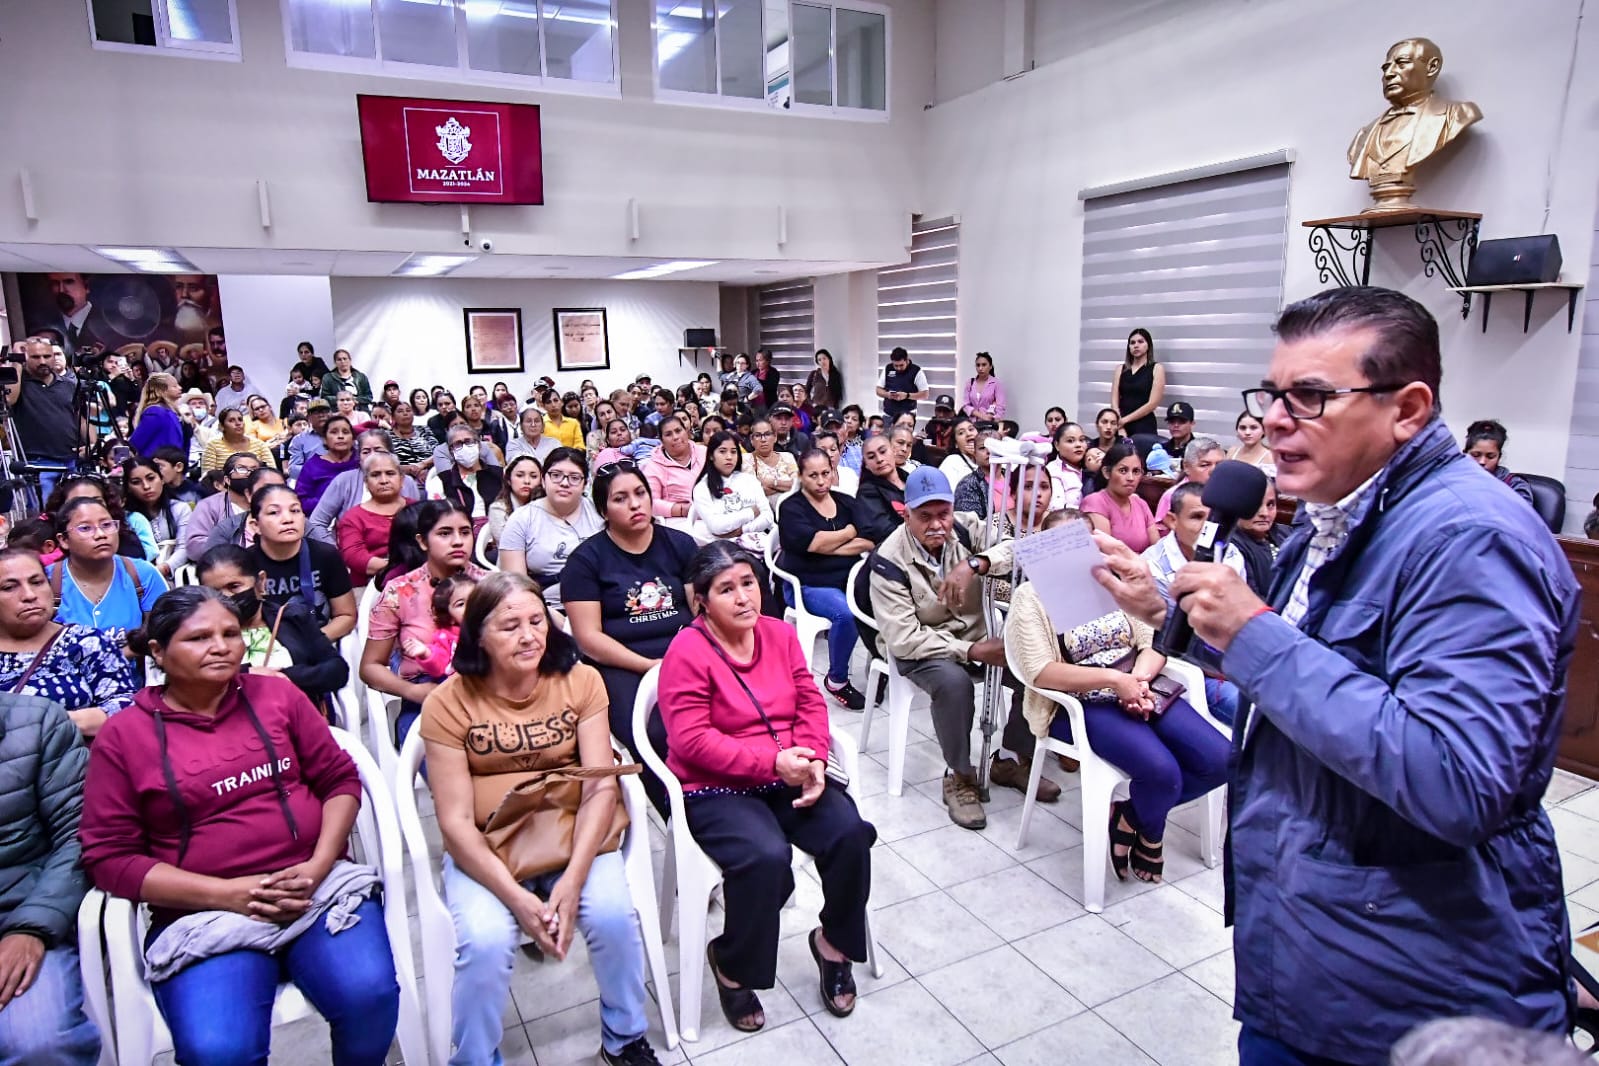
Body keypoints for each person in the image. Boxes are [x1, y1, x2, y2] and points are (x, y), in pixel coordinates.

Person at [1090, 286, 1578, 1065]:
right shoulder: (1334, 516)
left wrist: (1251, 633)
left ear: (1406, 409)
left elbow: (1457, 779)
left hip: (1410, 983)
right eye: (1271, 395)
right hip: (1317, 943)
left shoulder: (1470, 540)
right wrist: (1169, 612)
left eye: (1310, 397)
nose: (1275, 421)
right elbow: (1312, 672)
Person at [79, 587, 400, 1066]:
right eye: (199, 637)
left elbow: (339, 780)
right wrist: (229, 894)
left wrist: (318, 864)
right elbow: (110, 858)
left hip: (313, 888)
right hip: (204, 912)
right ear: (158, 652)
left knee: (369, 995)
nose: (221, 647)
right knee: (219, 1050)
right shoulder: (124, 736)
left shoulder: (276, 694)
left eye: (231, 633)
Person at [418, 572, 665, 1066]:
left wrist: (572, 882)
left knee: (613, 916)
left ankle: (624, 1037)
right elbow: (455, 822)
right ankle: (475, 1059)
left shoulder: (580, 681)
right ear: (478, 635)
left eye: (537, 621)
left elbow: (599, 786)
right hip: (488, 846)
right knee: (485, 942)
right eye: (510, 626)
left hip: (572, 832)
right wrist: (517, 901)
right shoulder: (448, 702)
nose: (530, 636)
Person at [658, 543, 875, 1029]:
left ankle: (833, 945)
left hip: (787, 771)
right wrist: (772, 762)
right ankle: (732, 966)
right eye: (726, 589)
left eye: (748, 583)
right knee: (765, 856)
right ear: (701, 601)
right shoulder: (687, 651)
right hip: (716, 784)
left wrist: (813, 758)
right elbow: (692, 741)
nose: (743, 597)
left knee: (850, 834)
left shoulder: (778, 633)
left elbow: (809, 701)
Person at [1009, 508, 1229, 882]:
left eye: (1080, 541)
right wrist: (1114, 682)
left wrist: (1137, 682)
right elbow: (1041, 672)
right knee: (1162, 773)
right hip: (1079, 702)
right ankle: (1152, 835)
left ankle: (1130, 815)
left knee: (1221, 759)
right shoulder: (1031, 596)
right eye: (1059, 543)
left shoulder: (1114, 582)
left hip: (1139, 682)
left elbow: (1153, 643)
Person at [868, 467, 1053, 828]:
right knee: (955, 685)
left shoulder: (965, 529)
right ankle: (960, 775)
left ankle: (1010, 757)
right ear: (906, 515)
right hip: (923, 648)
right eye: (925, 516)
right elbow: (904, 637)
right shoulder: (888, 561)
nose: (937, 525)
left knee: (1035, 666)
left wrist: (976, 562)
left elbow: (1019, 548)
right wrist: (971, 652)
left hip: (974, 635)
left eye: (943, 514)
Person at [562, 463, 696, 810]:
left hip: (684, 653)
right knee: (656, 733)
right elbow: (589, 638)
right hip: (620, 663)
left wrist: (691, 656)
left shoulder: (680, 544)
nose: (635, 504)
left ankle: (725, 796)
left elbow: (702, 612)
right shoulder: (585, 561)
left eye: (640, 493)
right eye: (620, 499)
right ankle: (676, 811)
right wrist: (649, 665)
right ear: (603, 510)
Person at [0, 689, 100, 1066]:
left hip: (24, 916)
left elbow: (79, 836)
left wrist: (31, 930)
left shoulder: (37, 722)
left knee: (40, 1044)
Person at [361, 501, 486, 746]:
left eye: (464, 532)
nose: (458, 541)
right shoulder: (400, 591)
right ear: (422, 541)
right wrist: (412, 692)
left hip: (487, 691)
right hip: (425, 696)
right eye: (445, 533)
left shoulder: (491, 585)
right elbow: (370, 667)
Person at [0, 547, 139, 739]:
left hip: (78, 755)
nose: (29, 595)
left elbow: (126, 707)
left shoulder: (86, 642)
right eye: (9, 587)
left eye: (37, 582)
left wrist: (51, 723)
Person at [196, 544, 349, 714]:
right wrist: (247, 675)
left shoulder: (293, 618)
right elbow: (192, 683)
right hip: (229, 722)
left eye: (234, 586)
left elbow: (336, 670)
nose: (227, 598)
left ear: (260, 582)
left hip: (296, 718)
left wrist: (283, 677)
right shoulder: (198, 636)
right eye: (215, 592)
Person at [1140, 483, 1246, 726]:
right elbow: (1182, 636)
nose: (1207, 528)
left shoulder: (1230, 553)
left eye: (1212, 519)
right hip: (1192, 667)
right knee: (1259, 714)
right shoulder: (1152, 567)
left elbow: (1240, 619)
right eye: (1197, 517)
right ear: (1172, 520)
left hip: (1238, 658)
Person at [777, 452, 872, 708]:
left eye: (825, 473)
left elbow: (869, 540)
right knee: (846, 614)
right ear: (801, 476)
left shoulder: (846, 502)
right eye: (813, 475)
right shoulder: (791, 507)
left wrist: (827, 547)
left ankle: (880, 671)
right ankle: (837, 680)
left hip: (849, 578)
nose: (821, 481)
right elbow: (813, 543)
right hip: (807, 584)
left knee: (886, 601)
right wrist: (849, 532)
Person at [47, 497, 168, 646]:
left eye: (106, 525)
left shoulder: (143, 573)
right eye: (85, 528)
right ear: (64, 540)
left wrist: (123, 655)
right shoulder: (46, 580)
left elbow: (161, 635)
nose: (100, 534)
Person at [497, 449, 603, 604]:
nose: (564, 483)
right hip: (545, 605)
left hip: (600, 600)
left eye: (574, 478)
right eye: (556, 475)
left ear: (585, 484)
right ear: (543, 479)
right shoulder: (521, 518)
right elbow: (516, 586)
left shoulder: (599, 513)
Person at [2, 338, 83, 502]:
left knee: (76, 508)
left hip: (71, 460)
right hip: (37, 462)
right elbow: (9, 399)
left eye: (47, 356)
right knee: (44, 511)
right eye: (35, 357)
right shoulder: (20, 384)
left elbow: (80, 416)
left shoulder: (68, 385)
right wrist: (17, 360)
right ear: (26, 358)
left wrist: (91, 445)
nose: (42, 361)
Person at [335, 451, 415, 589]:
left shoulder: (417, 508)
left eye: (390, 473)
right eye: (375, 475)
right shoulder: (353, 517)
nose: (384, 480)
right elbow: (354, 556)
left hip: (419, 579)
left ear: (402, 479)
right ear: (366, 482)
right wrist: (399, 569)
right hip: (369, 586)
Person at [693, 431, 773, 552]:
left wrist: (741, 530)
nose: (729, 457)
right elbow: (717, 527)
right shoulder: (702, 488)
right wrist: (751, 512)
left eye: (733, 452)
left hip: (757, 543)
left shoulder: (749, 480)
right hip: (723, 549)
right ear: (711, 456)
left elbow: (768, 517)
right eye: (722, 451)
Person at [1081, 442, 1159, 553]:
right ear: (1106, 473)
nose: (1131, 478)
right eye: (1123, 470)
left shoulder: (1141, 503)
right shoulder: (1095, 502)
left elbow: (1157, 548)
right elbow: (1107, 553)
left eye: (1136, 471)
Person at [123, 458, 192, 578]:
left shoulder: (180, 509)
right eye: (136, 482)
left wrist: (162, 569)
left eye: (151, 478)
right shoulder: (126, 517)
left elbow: (184, 547)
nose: (146, 486)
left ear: (162, 479)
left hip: (175, 575)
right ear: (128, 487)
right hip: (137, 576)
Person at [185, 452, 261, 558]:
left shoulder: (269, 503)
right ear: (227, 480)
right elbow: (194, 547)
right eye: (242, 469)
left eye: (254, 470)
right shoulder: (209, 506)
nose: (249, 473)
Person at [401, 572, 475, 680]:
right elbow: (439, 667)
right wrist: (426, 653)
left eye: (474, 599)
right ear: (449, 617)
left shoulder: (492, 626)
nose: (471, 606)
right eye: (460, 604)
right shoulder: (446, 637)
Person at [428, 424, 504, 522]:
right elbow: (438, 518)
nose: (464, 447)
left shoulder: (498, 474)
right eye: (458, 444)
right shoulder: (440, 482)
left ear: (479, 445)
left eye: (468, 441)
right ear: (451, 451)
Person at [642, 416, 705, 528]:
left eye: (678, 431)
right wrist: (683, 509)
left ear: (686, 431)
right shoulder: (653, 467)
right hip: (680, 521)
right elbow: (649, 502)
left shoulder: (705, 453)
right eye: (668, 434)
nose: (675, 437)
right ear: (661, 440)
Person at [1152, 436, 1225, 532]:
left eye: (1219, 465)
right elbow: (1160, 534)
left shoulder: (1226, 492)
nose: (1214, 471)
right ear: (1186, 466)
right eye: (1205, 465)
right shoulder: (1172, 496)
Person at [295, 413, 358, 515]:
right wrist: (330, 502)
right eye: (334, 432)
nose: (340, 436)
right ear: (324, 439)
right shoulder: (312, 466)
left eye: (345, 432)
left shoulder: (361, 462)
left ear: (353, 439)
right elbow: (301, 502)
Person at [1234, 479, 1287, 599]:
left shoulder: (1287, 533)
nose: (1264, 513)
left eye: (1270, 505)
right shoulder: (1230, 546)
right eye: (1254, 505)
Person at [1463, 418, 1535, 506]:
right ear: (1465, 454)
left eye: (1490, 456)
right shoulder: (1455, 480)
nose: (1482, 461)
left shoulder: (1514, 484)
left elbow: (1520, 513)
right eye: (1475, 455)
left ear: (1499, 457)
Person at [854, 433, 909, 544]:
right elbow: (883, 531)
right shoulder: (867, 492)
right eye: (871, 457)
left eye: (883, 451)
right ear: (866, 464)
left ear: (893, 451)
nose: (879, 459)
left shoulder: (911, 479)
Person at [1110, 328, 1165, 437]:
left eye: (1140, 342)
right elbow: (1114, 401)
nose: (1136, 345)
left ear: (1148, 345)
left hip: (1144, 424)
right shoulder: (1120, 369)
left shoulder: (1156, 368)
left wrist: (1125, 420)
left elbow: (1152, 403)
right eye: (1132, 343)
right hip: (1121, 425)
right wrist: (1119, 423)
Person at [486, 455, 542, 558]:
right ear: (508, 480)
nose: (527, 481)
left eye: (533, 476)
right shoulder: (498, 508)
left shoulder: (545, 506)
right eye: (520, 475)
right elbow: (509, 545)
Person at [200, 407, 275, 475]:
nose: (238, 423)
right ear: (222, 426)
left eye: (240, 419)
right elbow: (207, 478)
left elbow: (272, 473)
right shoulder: (213, 445)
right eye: (231, 420)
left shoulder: (260, 445)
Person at [129, 372, 187, 458]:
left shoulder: (172, 413)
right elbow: (136, 443)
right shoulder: (155, 412)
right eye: (174, 386)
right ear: (162, 390)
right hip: (156, 463)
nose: (180, 388)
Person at [741, 419, 798, 503]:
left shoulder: (787, 457)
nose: (763, 439)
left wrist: (772, 483)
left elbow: (797, 485)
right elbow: (753, 491)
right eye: (757, 435)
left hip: (792, 504)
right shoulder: (745, 459)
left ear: (775, 437)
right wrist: (785, 486)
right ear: (752, 440)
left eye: (767, 434)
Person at [389, 399, 436, 485]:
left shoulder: (424, 430)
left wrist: (423, 465)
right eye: (400, 411)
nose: (405, 413)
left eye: (408, 410)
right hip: (401, 479)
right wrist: (411, 469)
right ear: (393, 417)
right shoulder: (387, 436)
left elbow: (439, 453)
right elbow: (385, 462)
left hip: (430, 475)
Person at [875, 347, 929, 422]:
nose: (898, 368)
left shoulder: (916, 371)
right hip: (888, 414)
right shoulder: (888, 368)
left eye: (901, 365)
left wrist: (907, 396)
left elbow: (925, 394)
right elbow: (878, 390)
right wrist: (887, 395)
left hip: (907, 416)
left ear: (907, 360)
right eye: (896, 365)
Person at [1046, 422, 1091, 511]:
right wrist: (1089, 511)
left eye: (1082, 440)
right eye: (1070, 441)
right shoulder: (1053, 470)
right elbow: (1057, 508)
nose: (1078, 445)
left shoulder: (1090, 465)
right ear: (1057, 445)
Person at [288, 399, 331, 479]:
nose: (321, 415)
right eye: (316, 412)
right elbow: (293, 469)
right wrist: (315, 471)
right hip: (313, 481)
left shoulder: (341, 434)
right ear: (308, 417)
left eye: (324, 411)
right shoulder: (299, 439)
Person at [961, 352, 1007, 421]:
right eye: (978, 365)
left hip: (989, 423)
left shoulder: (996, 383)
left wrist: (992, 419)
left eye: (984, 365)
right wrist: (982, 416)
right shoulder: (970, 383)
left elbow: (1000, 407)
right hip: (971, 423)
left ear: (990, 366)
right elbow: (966, 405)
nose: (980, 368)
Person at [938, 417, 981, 485]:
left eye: (971, 429)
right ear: (956, 444)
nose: (968, 434)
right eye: (961, 433)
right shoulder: (952, 462)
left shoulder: (988, 457)